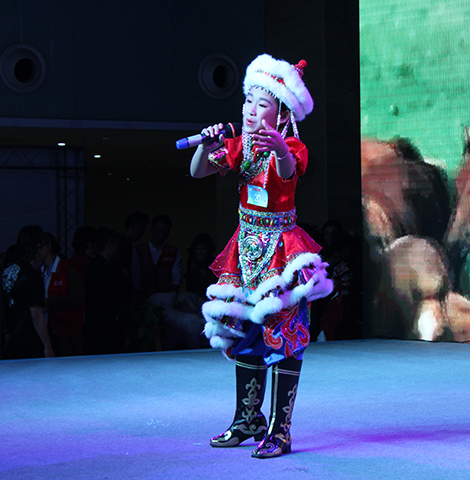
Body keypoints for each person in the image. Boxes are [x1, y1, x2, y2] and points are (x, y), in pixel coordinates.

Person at [190, 54, 332, 458]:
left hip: (282, 252)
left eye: (261, 103)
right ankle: (247, 420)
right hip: (245, 249)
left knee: (284, 337)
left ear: (281, 112)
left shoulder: (293, 147)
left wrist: (280, 148)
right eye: (247, 101)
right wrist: (207, 143)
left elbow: (287, 172)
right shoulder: (239, 145)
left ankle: (279, 431)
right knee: (244, 331)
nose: (250, 110)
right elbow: (198, 171)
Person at [1, 226, 54, 359]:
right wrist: (47, 345)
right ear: (38, 246)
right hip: (28, 341)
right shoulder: (32, 276)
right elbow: (36, 314)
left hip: (8, 336)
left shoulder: (9, 270)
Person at [37, 233, 85, 357]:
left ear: (48, 246)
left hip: (66, 330)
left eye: (39, 247)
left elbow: (77, 296)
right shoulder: (39, 271)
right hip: (47, 328)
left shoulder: (66, 268)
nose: (36, 250)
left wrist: (47, 303)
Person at [83, 228, 123, 355]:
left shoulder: (98, 266)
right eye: (116, 245)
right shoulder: (100, 268)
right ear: (109, 246)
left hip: (100, 324)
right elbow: (101, 299)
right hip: (102, 326)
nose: (118, 249)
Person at [131, 215, 183, 298]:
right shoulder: (138, 251)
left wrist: (172, 295)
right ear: (152, 229)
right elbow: (135, 276)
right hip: (143, 296)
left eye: (165, 232)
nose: (161, 235)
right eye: (158, 230)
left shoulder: (174, 252)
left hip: (165, 298)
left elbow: (177, 277)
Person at [183, 233, 217, 298]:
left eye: (204, 249)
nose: (200, 252)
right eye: (197, 248)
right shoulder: (192, 263)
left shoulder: (214, 265)